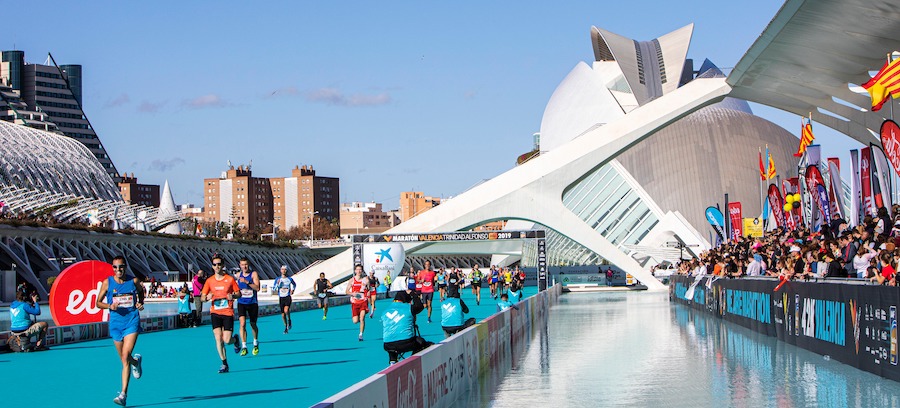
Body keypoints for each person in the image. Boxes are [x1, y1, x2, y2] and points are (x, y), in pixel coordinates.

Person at [95, 255, 145, 406]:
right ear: (112, 268)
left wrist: (140, 303)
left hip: (131, 321)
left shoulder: (133, 281)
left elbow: (141, 293)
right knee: (125, 360)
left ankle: (123, 394)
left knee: (125, 355)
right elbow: (98, 302)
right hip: (116, 324)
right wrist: (109, 306)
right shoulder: (107, 282)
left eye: (121, 267)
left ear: (126, 267)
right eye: (115, 267)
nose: (118, 270)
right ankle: (136, 362)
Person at [201, 255, 242, 373]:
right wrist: (206, 297)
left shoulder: (230, 279)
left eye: (219, 264)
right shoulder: (209, 281)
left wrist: (233, 296)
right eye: (214, 264)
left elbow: (238, 293)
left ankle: (235, 340)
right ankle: (224, 363)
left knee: (227, 340)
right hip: (215, 312)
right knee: (218, 338)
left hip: (227, 312)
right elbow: (202, 297)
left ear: (223, 266)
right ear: (212, 266)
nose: (217, 266)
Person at [381, 291, 429, 364]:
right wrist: (414, 295)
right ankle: (413, 361)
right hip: (406, 342)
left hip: (388, 344)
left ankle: (392, 361)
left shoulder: (385, 311)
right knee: (421, 343)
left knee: (392, 344)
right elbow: (420, 306)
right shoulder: (408, 307)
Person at [7, 287, 48, 352]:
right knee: (44, 324)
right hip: (24, 330)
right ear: (24, 298)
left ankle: (24, 342)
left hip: (14, 331)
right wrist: (35, 302)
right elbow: (37, 312)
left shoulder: (12, 305)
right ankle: (39, 344)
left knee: (30, 323)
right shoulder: (24, 305)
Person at [235, 257, 261, 356]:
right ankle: (244, 346)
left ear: (248, 264)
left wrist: (247, 282)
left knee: (253, 324)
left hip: (252, 303)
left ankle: (255, 342)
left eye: (246, 264)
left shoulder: (253, 274)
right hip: (241, 302)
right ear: (240, 265)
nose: (244, 266)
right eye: (242, 265)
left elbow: (257, 288)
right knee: (242, 324)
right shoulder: (238, 275)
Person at [348, 264, 369, 340]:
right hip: (355, 302)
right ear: (355, 271)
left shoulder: (365, 280)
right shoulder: (352, 280)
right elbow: (346, 291)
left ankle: (361, 334)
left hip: (363, 301)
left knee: (362, 318)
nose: (359, 271)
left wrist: (368, 290)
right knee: (355, 321)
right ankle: (359, 320)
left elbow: (369, 289)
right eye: (357, 269)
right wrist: (352, 293)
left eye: (360, 269)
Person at [273, 265, 296, 333]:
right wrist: (277, 284)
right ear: (280, 270)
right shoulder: (278, 279)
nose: (283, 271)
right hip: (281, 297)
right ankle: (285, 326)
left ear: (286, 270)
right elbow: (274, 289)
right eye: (282, 269)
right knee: (283, 315)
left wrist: (293, 290)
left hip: (287, 297)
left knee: (286, 310)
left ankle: (289, 320)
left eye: (285, 269)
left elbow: (294, 284)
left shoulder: (289, 279)